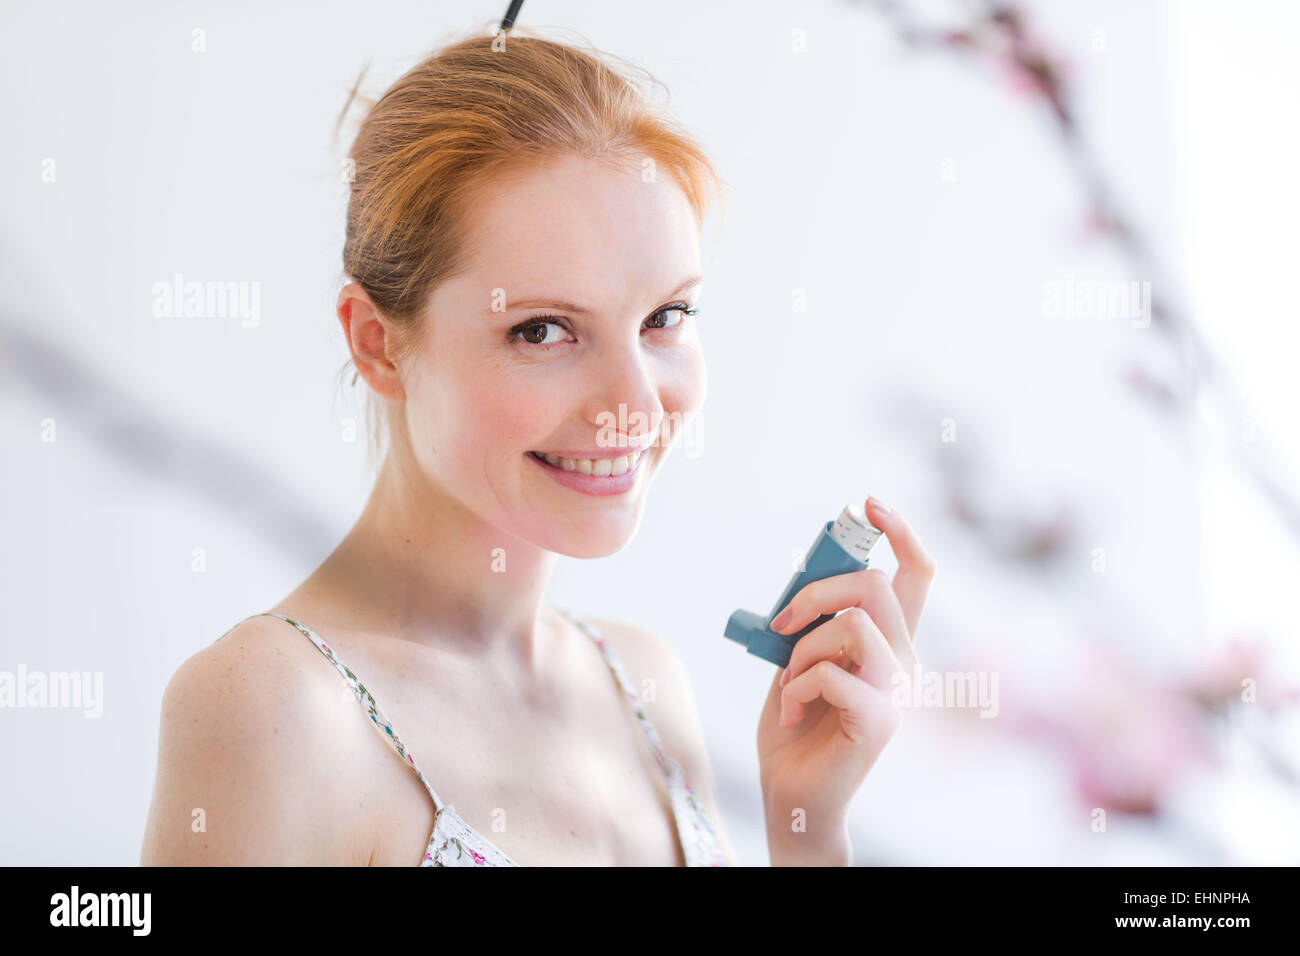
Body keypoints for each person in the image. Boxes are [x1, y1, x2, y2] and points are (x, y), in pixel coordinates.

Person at [140, 27, 935, 867]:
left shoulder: (643, 684)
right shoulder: (275, 707)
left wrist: (807, 823)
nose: (634, 403)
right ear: (376, 342)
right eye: (544, 330)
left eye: (665, 317)